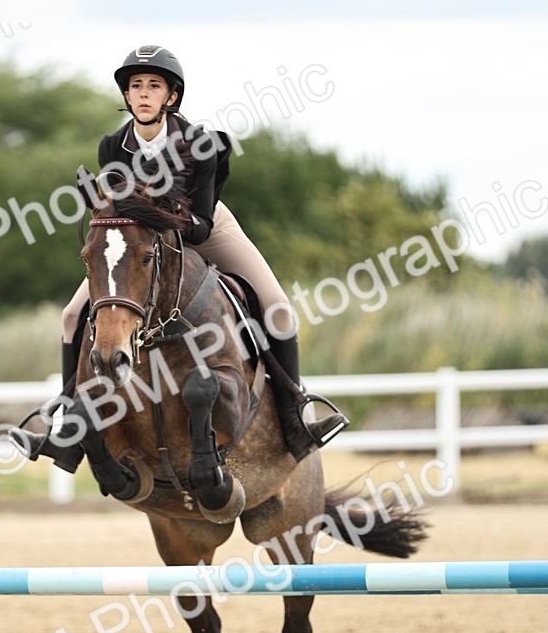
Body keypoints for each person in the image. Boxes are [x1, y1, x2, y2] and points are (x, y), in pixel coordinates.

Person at [22, 44, 347, 469]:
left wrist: (150, 213)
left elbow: (201, 225)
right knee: (70, 316)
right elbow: (115, 214)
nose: (142, 93)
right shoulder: (112, 145)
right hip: (138, 242)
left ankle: (295, 416)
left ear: (170, 97)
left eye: (153, 86)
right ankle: (68, 422)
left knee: (280, 309)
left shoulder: (199, 144)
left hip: (204, 228)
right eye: (135, 86)